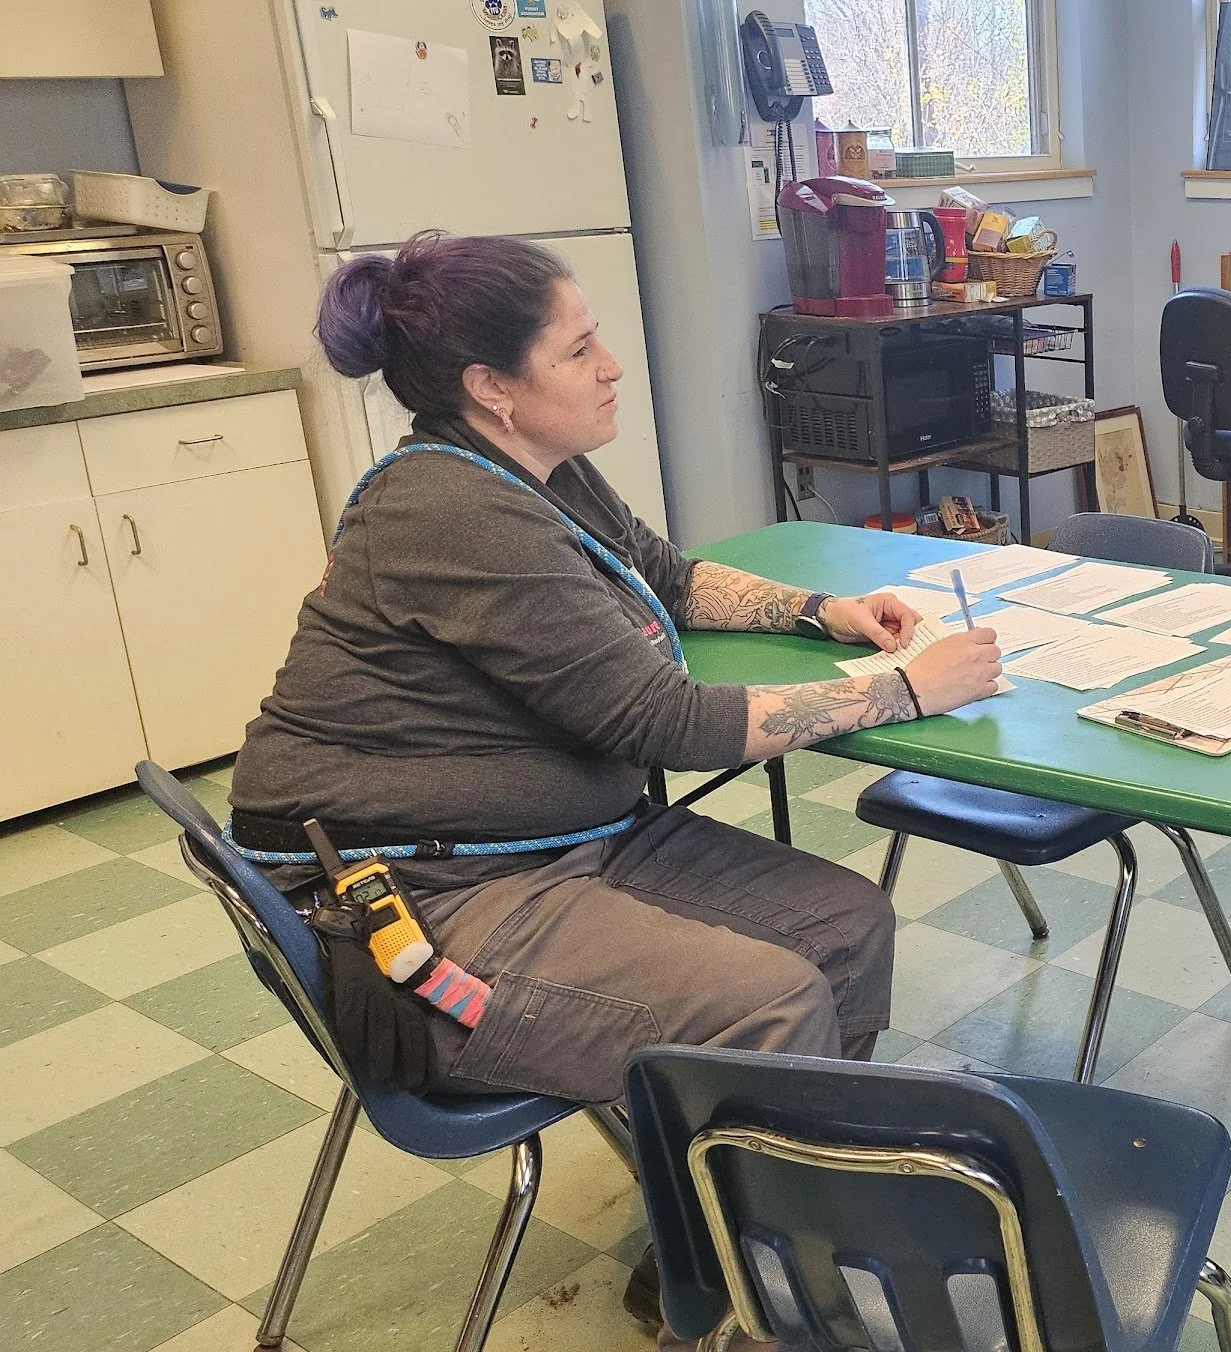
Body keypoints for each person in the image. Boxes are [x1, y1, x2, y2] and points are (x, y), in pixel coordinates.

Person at [228, 230, 1003, 1107]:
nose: (613, 366)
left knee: (846, 926)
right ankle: (741, 1225)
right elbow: (666, 724)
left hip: (550, 842)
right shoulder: (450, 511)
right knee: (768, 1003)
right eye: (579, 348)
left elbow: (666, 576)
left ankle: (764, 1187)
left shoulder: (536, 470)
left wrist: (821, 609)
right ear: (491, 388)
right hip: (419, 894)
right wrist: (903, 690)